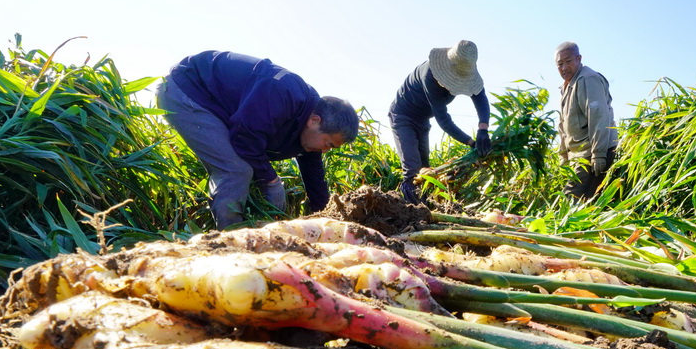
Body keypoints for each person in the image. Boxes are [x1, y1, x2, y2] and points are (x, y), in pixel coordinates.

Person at [158, 50, 359, 228]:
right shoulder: (283, 93)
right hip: (188, 90)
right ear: (315, 121)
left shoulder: (310, 131)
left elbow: (315, 180)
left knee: (245, 168)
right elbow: (244, 138)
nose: (325, 151)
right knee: (236, 170)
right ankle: (230, 242)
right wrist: (271, 180)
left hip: (220, 109)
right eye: (328, 144)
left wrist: (327, 220)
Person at [389, 40, 492, 203]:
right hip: (403, 116)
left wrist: (483, 129)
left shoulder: (466, 70)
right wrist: (472, 143)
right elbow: (444, 120)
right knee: (413, 171)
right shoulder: (429, 74)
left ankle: (423, 207)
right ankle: (410, 212)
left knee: (425, 170)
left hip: (423, 119)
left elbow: (481, 98)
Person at [555, 41, 618, 200]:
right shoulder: (566, 87)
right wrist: (564, 158)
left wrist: (599, 155)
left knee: (570, 200)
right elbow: (563, 127)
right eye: (560, 64)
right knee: (582, 203)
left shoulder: (588, 80)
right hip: (579, 156)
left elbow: (598, 117)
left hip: (591, 154)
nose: (564, 67)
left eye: (568, 61)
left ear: (579, 59)